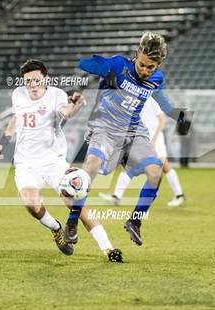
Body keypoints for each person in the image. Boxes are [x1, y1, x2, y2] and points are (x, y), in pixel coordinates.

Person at [0, 59, 122, 262]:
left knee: (74, 203)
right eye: (28, 81)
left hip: (53, 161)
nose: (32, 85)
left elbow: (66, 111)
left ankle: (108, 248)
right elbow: (16, 118)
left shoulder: (56, 95)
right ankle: (56, 228)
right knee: (31, 205)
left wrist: (75, 104)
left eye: (36, 80)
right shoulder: (18, 94)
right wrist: (2, 142)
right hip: (25, 163)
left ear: (45, 79)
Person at [64, 32, 188, 246]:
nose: (145, 71)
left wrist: (179, 115)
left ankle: (135, 221)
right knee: (91, 166)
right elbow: (83, 63)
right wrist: (106, 73)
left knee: (155, 172)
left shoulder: (156, 80)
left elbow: (163, 102)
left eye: (151, 67)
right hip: (105, 128)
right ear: (137, 54)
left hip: (133, 131)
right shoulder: (119, 65)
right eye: (142, 64)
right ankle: (73, 220)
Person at [99, 97, 185, 207]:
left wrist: (154, 138)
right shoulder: (136, 99)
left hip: (155, 139)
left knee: (164, 165)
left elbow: (162, 119)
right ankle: (117, 196)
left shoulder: (153, 98)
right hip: (143, 138)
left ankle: (179, 195)